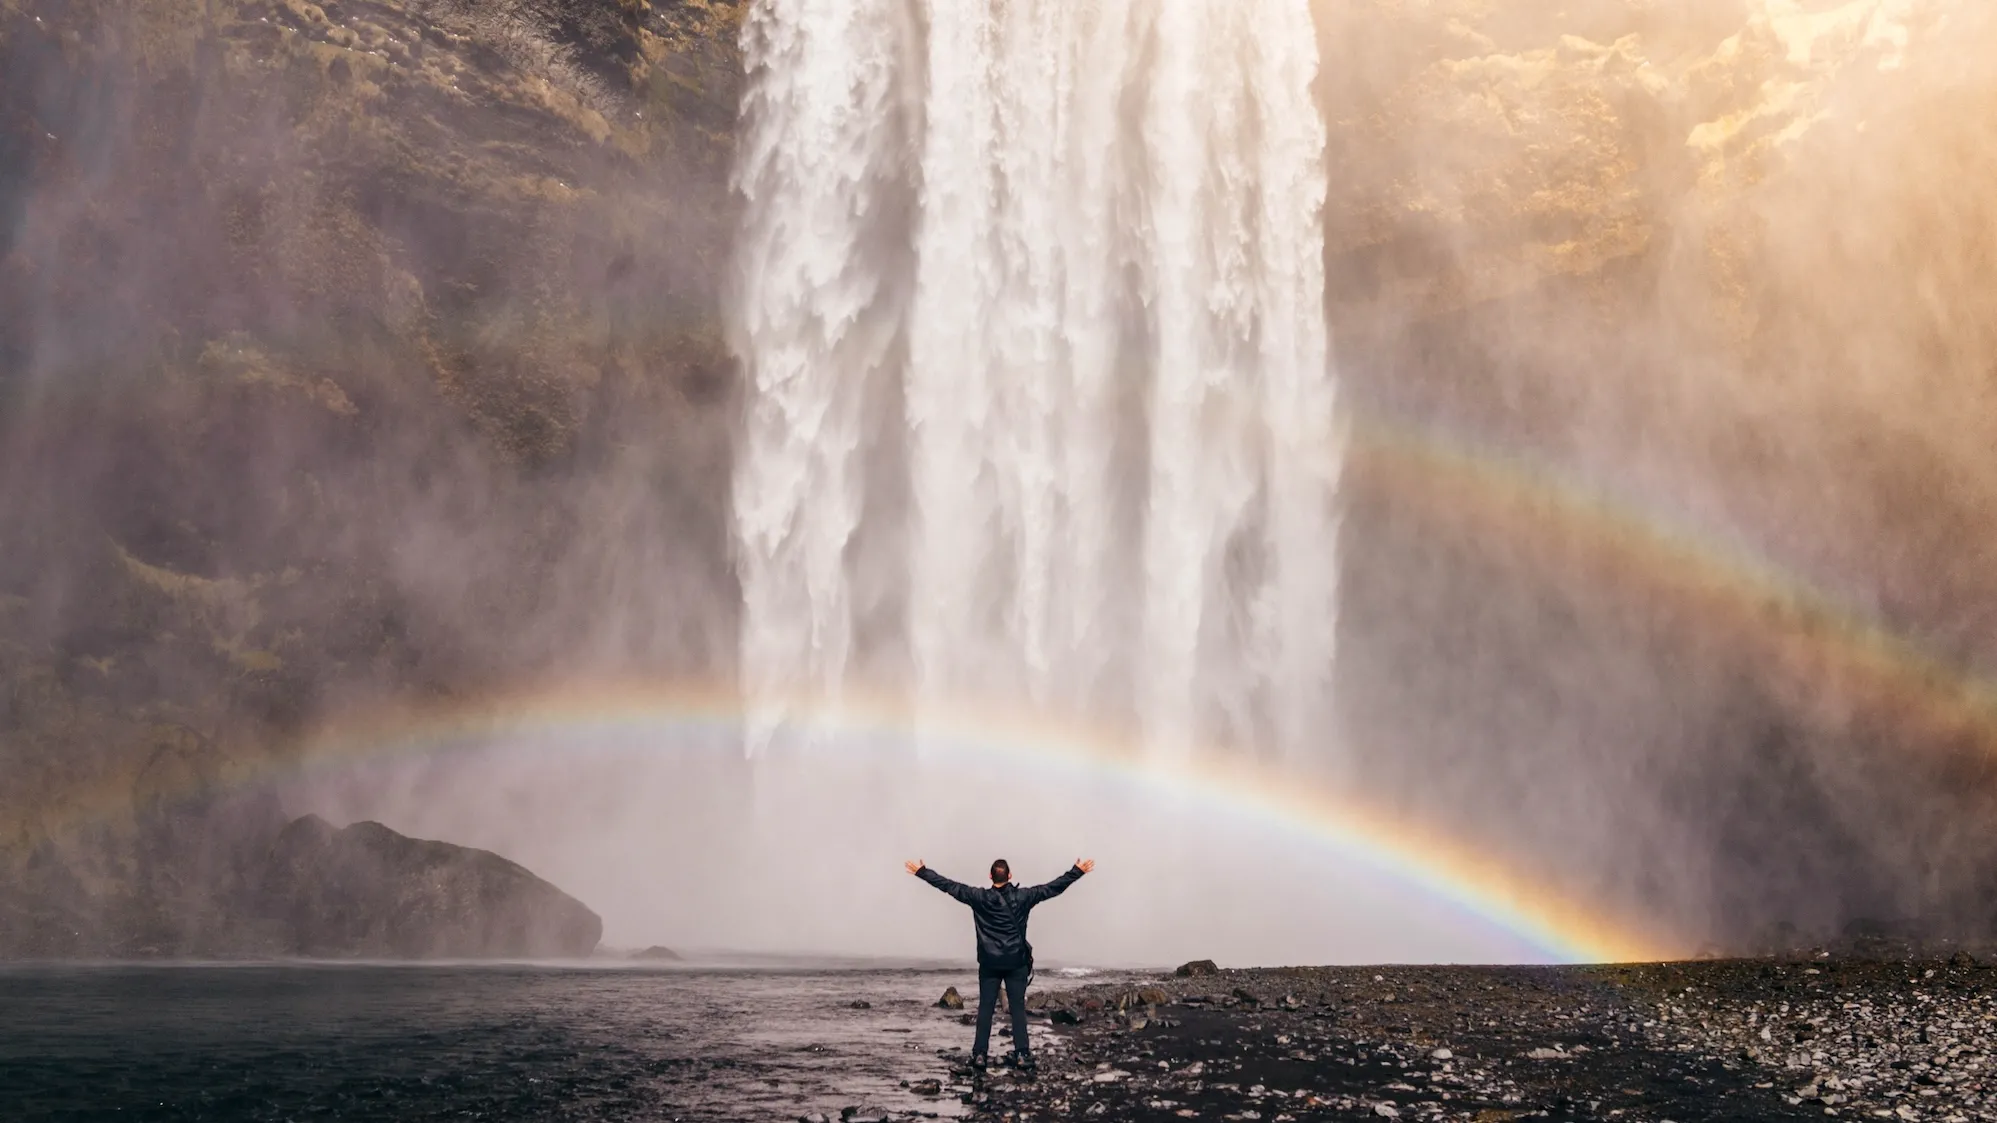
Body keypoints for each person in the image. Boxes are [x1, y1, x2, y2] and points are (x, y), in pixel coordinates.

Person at [906, 856, 1094, 1072]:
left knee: (985, 1008)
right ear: (1010, 876)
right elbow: (1052, 888)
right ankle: (1022, 1054)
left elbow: (948, 886)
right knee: (1017, 1009)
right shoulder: (1024, 896)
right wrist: (1076, 871)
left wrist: (922, 872)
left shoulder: (978, 897)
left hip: (989, 963)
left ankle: (979, 1056)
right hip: (1016, 962)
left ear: (990, 876)